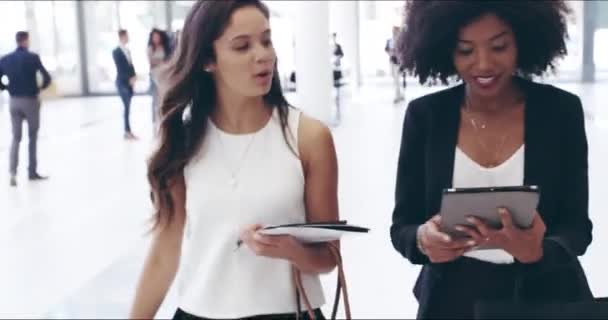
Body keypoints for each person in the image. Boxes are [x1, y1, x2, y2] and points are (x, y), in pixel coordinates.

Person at [129, 1, 340, 319]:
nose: (263, 55)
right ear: (207, 61)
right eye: (242, 46)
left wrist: (290, 249)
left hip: (289, 314)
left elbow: (329, 255)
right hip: (199, 312)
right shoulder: (184, 142)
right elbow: (164, 252)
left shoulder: (309, 138)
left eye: (266, 40)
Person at [390, 1, 594, 319]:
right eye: (465, 50)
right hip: (451, 301)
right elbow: (402, 227)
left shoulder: (559, 111)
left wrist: (539, 250)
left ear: (523, 42)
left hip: (547, 299)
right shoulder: (426, 116)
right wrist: (423, 239)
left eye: (499, 46)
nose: (483, 64)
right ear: (445, 50)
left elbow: (577, 228)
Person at [0, 31, 51, 187]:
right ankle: (32, 172)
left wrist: (7, 88)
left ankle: (12, 173)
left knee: (16, 138)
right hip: (30, 100)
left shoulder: (5, 59)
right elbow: (47, 78)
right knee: (32, 137)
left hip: (14, 101)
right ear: (25, 41)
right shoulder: (33, 58)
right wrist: (40, 88)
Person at [112, 29, 138, 140]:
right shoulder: (116, 51)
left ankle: (128, 131)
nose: (128, 38)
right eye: (127, 36)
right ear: (122, 36)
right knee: (126, 106)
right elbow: (120, 68)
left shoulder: (127, 50)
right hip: (122, 82)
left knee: (128, 107)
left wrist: (134, 77)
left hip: (129, 82)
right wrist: (129, 79)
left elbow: (130, 66)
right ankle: (127, 131)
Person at [147, 28, 172, 125]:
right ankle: (154, 120)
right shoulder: (150, 48)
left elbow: (169, 61)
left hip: (164, 75)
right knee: (154, 98)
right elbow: (151, 62)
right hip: (154, 76)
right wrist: (162, 62)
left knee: (164, 97)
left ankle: (163, 117)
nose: (156, 38)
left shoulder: (165, 47)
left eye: (157, 36)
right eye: (154, 37)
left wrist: (161, 63)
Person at [385, 26, 405, 104]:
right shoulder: (389, 40)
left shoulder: (401, 41)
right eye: (393, 31)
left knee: (397, 79)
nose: (394, 32)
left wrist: (397, 53)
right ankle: (400, 94)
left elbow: (403, 50)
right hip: (391, 61)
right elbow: (386, 49)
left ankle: (397, 96)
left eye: (396, 31)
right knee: (394, 78)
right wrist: (390, 53)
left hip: (398, 62)